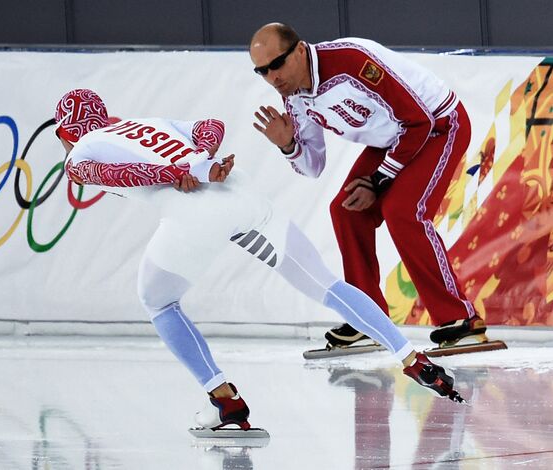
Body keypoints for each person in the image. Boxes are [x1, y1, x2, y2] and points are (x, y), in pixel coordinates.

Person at [53, 88, 464, 434]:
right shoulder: (146, 123)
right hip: (244, 197)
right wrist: (201, 158)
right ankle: (411, 357)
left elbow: (115, 173)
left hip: (193, 213)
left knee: (159, 302)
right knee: (327, 286)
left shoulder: (78, 156)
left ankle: (226, 403)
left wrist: (175, 171)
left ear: (66, 134)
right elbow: (209, 127)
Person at [249, 23, 488, 350]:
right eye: (262, 71)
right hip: (392, 138)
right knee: (346, 211)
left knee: (403, 211)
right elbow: (313, 166)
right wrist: (288, 145)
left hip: (438, 125)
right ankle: (368, 317)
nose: (273, 77)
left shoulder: (350, 60)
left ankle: (460, 319)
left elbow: (419, 120)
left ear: (301, 50)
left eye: (277, 64)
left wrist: (379, 180)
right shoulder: (295, 99)